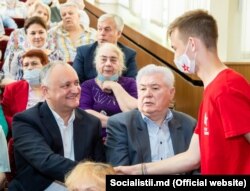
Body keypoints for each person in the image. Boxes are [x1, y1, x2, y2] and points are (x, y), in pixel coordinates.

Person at [115, 9, 250, 175]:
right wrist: (137, 170)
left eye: (175, 48)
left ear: (192, 44)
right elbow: (192, 157)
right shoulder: (211, 90)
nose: (175, 57)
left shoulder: (226, 88)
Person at [9, 61, 105, 190]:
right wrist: (90, 174)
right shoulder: (25, 121)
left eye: (77, 83)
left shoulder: (92, 123)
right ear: (45, 91)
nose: (75, 90)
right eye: (66, 85)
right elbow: (46, 161)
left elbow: (99, 166)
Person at [105, 64, 196, 168]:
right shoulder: (121, 125)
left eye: (155, 88)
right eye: (142, 89)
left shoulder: (189, 124)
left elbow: (197, 169)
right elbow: (119, 173)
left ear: (171, 93)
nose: (147, 94)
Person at [79, 43, 137, 139]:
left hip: (124, 139)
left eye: (113, 60)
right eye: (103, 59)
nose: (108, 63)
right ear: (96, 63)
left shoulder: (130, 83)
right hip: (96, 139)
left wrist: (115, 86)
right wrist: (118, 124)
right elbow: (86, 115)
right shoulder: (87, 85)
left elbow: (133, 112)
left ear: (120, 64)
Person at [73, 13, 137, 84]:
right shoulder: (83, 52)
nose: (102, 33)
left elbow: (132, 84)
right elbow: (76, 82)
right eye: (99, 29)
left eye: (107, 29)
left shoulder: (129, 54)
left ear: (118, 33)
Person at [2, 49, 48, 138]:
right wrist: (21, 126)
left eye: (34, 63)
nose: (29, 67)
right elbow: (5, 114)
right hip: (23, 134)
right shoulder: (12, 89)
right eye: (26, 65)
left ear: (45, 66)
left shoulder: (55, 87)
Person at [2, 16, 63, 81]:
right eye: (33, 33)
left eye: (41, 32)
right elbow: (6, 80)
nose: (37, 36)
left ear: (46, 33)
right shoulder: (17, 56)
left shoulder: (57, 55)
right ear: (26, 35)